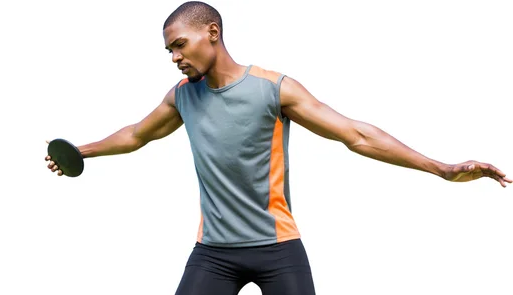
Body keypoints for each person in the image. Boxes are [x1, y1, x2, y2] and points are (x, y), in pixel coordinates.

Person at [45, 1, 511, 294]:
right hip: (214, 252)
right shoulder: (182, 97)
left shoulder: (274, 88)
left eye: (179, 45)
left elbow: (355, 134)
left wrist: (441, 168)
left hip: (278, 249)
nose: (174, 58)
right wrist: (80, 152)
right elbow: (136, 134)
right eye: (168, 51)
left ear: (212, 33)